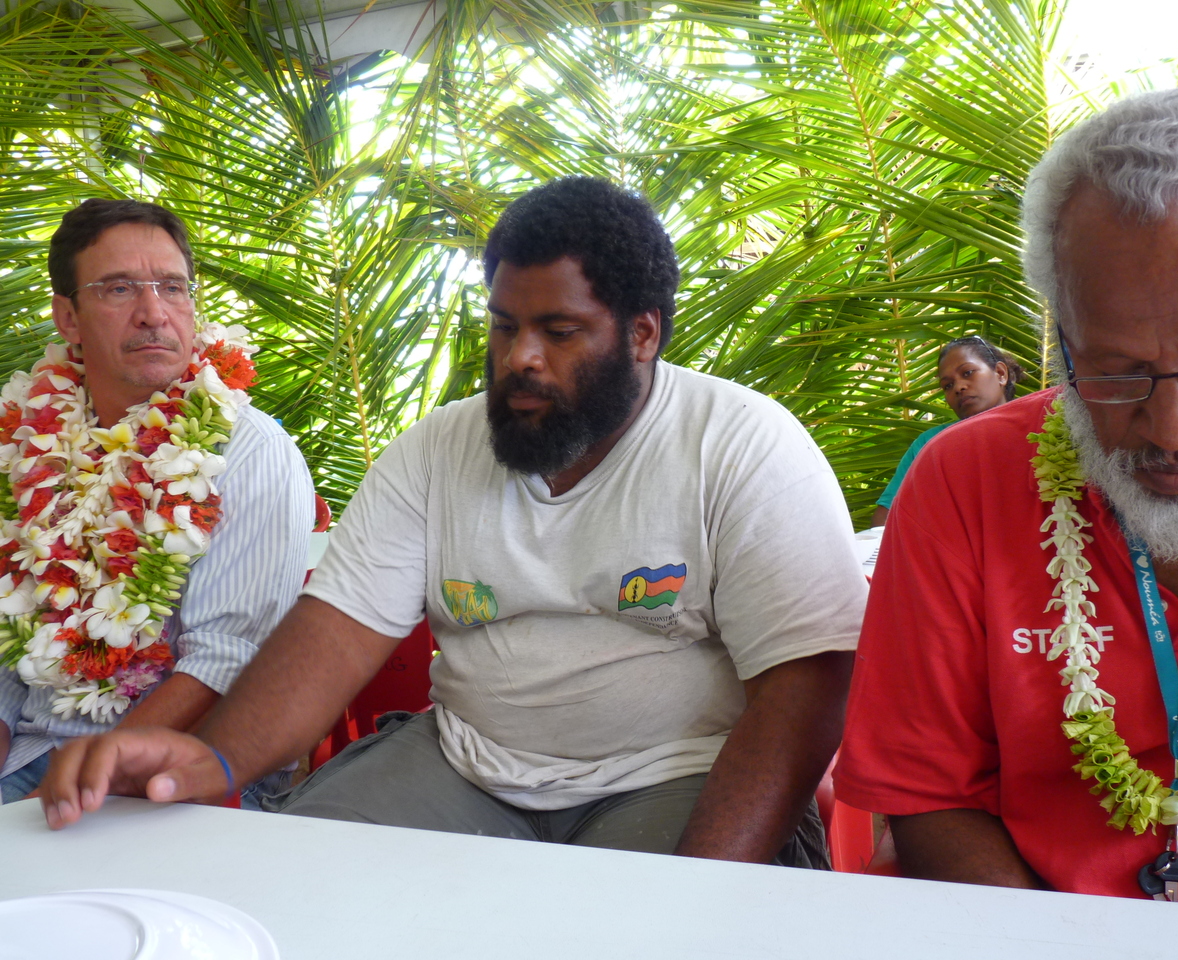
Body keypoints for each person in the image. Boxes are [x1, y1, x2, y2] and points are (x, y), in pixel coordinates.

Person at [37, 177, 866, 867]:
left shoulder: (742, 445)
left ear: (642, 333)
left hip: (675, 774)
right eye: (505, 327)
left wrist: (702, 887)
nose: (520, 359)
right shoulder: (436, 450)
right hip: (466, 764)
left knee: (626, 936)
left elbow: (807, 682)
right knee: (290, 876)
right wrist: (214, 759)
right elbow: (335, 631)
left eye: (558, 331)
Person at [836, 86, 1178, 909]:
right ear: (1060, 339)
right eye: (1115, 369)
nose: (1174, 428)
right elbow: (927, 796)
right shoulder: (962, 480)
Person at [0, 199, 313, 806]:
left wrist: (95, 771)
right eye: (119, 289)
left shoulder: (250, 450)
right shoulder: (26, 443)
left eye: (172, 288)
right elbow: (7, 627)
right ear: (68, 316)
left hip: (184, 772)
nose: (153, 314)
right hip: (29, 753)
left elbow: (230, 658)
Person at [869, 338, 1025, 527]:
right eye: (948, 385)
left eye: (968, 373)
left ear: (1000, 373)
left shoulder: (1039, 427)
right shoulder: (930, 443)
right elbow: (885, 518)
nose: (959, 387)